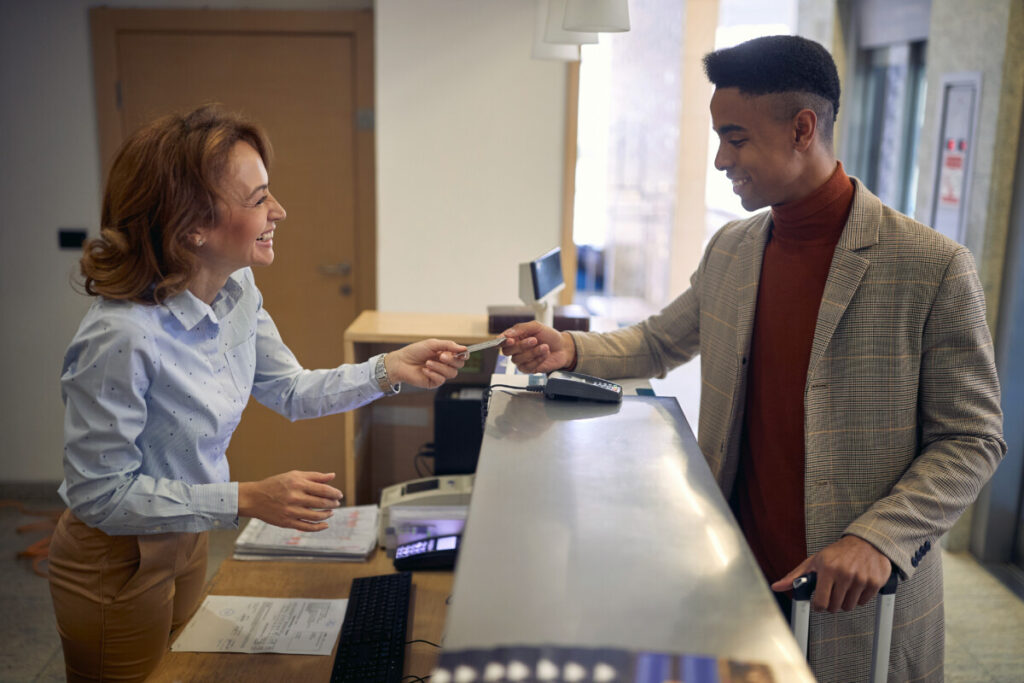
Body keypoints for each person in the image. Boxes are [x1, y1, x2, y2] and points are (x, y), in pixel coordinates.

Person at [502, 35, 1005, 682]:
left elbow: (972, 438)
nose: (719, 159)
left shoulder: (930, 267)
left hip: (857, 603)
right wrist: (570, 347)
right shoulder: (734, 248)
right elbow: (660, 340)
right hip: (737, 576)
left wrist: (880, 535)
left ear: (802, 129)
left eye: (735, 138)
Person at [47, 104, 468, 682]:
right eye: (258, 199)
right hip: (116, 556)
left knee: (186, 672)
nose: (280, 211)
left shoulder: (237, 287)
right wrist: (244, 499)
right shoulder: (120, 337)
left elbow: (290, 390)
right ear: (193, 225)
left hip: (189, 534)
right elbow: (100, 496)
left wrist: (388, 368)